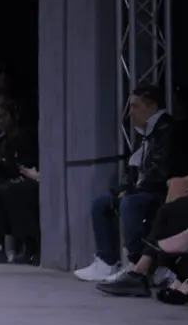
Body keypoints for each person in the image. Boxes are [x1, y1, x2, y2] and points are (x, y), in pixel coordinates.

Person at [74, 84, 174, 281]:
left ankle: (136, 264)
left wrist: (132, 190)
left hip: (160, 190)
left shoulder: (167, 130)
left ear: (151, 106)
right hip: (141, 188)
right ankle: (107, 261)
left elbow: (161, 171)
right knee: (101, 203)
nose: (130, 113)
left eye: (135, 106)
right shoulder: (145, 131)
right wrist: (125, 187)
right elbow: (132, 166)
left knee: (130, 204)